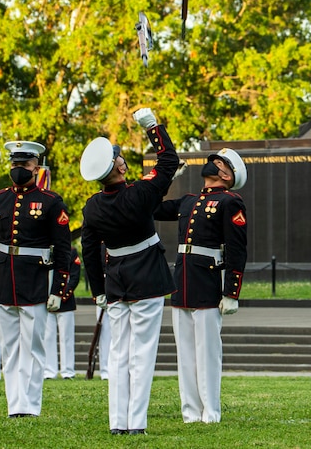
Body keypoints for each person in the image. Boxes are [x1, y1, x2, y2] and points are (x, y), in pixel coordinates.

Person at [80, 108, 179, 436]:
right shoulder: (140, 194)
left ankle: (117, 423)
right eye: (119, 159)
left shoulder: (93, 207)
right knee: (142, 353)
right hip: (147, 278)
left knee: (118, 353)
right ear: (119, 167)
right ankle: (136, 422)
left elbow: (90, 251)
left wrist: (98, 291)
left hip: (117, 282)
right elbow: (167, 162)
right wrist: (152, 127)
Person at [155, 148, 249, 424]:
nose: (212, 164)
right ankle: (190, 412)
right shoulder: (189, 200)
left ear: (227, 176)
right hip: (182, 280)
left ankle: (211, 412)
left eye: (220, 163)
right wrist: (166, 178)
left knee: (207, 352)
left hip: (208, 281)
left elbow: (237, 248)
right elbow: (150, 207)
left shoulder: (230, 201)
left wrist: (231, 292)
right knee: (184, 353)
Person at [0, 140, 73, 417]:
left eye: (25, 164)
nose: (20, 169)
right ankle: (14, 404)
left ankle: (30, 406)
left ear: (36, 167)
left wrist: (59, 287)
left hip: (35, 280)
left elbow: (63, 248)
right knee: (9, 347)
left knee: (32, 347)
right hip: (3, 279)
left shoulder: (50, 201)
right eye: (16, 164)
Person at [43, 246, 81, 379]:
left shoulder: (70, 251)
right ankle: (49, 370)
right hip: (46, 300)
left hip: (65, 301)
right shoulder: (44, 250)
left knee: (67, 337)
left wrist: (64, 295)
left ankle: (68, 371)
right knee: (48, 337)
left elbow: (75, 276)